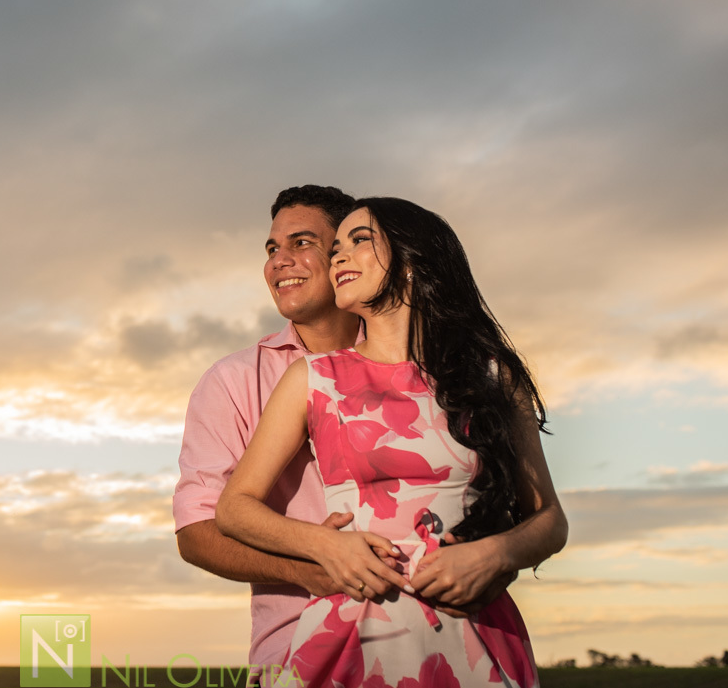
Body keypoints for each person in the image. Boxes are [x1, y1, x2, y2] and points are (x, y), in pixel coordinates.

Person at [216, 197, 567, 688]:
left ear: (414, 260)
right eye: (335, 247)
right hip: (351, 633)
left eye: (359, 241)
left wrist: (497, 554)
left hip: (475, 635)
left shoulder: (491, 377)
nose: (338, 257)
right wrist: (322, 546)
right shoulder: (313, 379)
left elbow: (549, 519)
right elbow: (233, 508)